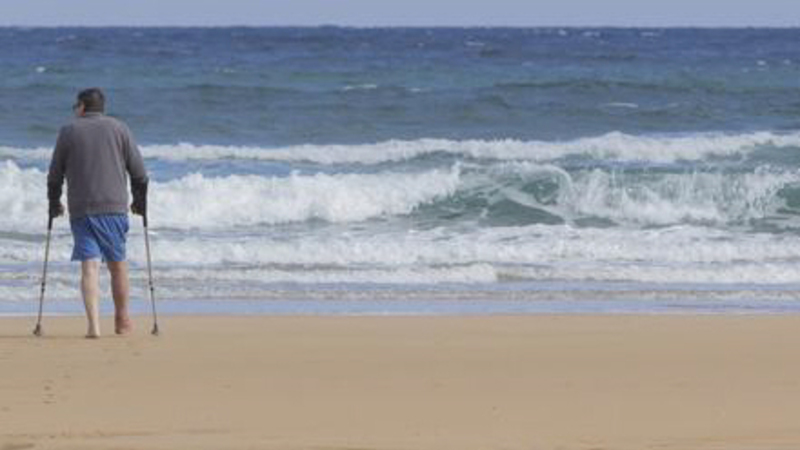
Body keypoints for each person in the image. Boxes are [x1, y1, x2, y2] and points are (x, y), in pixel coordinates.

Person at [47, 88, 148, 338]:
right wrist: (139, 201)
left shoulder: (68, 131)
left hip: (82, 209)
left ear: (82, 106)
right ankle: (122, 320)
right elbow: (139, 173)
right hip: (114, 207)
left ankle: (94, 327)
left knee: (89, 266)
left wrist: (54, 203)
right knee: (117, 265)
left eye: (76, 106)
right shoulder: (120, 128)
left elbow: (55, 175)